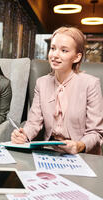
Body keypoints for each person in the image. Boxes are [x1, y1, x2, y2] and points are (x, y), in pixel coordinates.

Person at [11, 26, 103, 155]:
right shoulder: (41, 83)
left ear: (76, 57)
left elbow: (96, 132)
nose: (55, 55)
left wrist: (79, 145)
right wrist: (24, 135)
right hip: (50, 151)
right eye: (53, 48)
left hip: (82, 154)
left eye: (64, 50)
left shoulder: (91, 84)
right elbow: (33, 122)